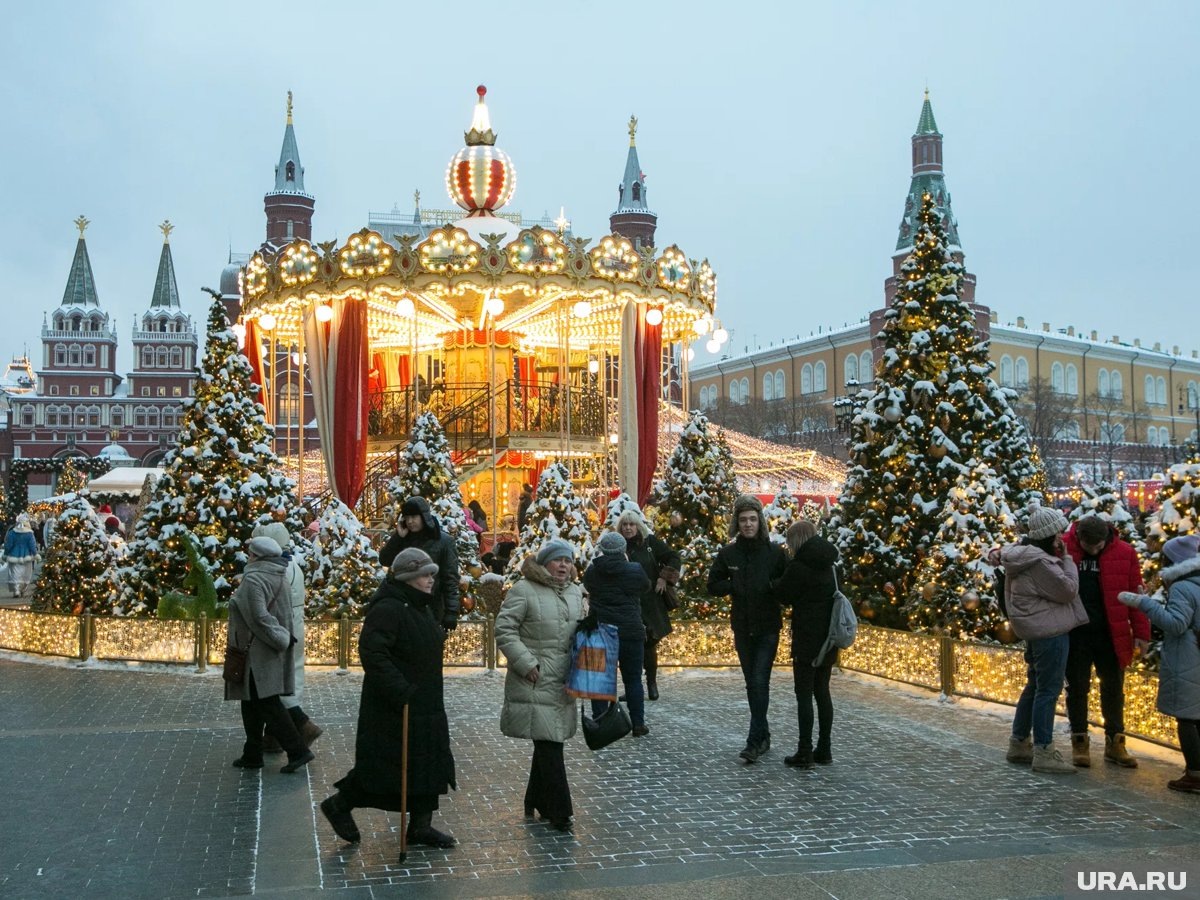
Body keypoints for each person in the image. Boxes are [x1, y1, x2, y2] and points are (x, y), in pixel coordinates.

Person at [320, 548, 458, 849]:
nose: (431, 579)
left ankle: (421, 827)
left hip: (426, 700)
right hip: (395, 704)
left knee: (428, 762)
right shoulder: (389, 607)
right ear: (409, 576)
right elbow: (373, 653)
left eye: (432, 574)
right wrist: (399, 689)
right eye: (425, 574)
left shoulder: (420, 605)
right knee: (384, 768)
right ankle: (339, 805)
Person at [495, 538, 584, 831]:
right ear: (545, 563)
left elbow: (578, 629)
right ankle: (560, 811)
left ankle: (534, 798)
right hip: (535, 679)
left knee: (549, 739)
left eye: (568, 561)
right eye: (558, 560)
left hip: (563, 681)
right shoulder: (525, 590)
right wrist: (525, 663)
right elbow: (505, 629)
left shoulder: (575, 593)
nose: (563, 565)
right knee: (551, 744)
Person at [997, 504, 1087, 775]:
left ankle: (1019, 742)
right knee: (1047, 690)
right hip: (1050, 632)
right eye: (1059, 533)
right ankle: (1044, 750)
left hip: (1034, 630)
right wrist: (1068, 561)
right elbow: (1068, 590)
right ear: (1049, 535)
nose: (1062, 538)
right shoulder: (1040, 562)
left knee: (1035, 686)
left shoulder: (1021, 557)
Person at [1062, 514, 1150, 768]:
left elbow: (1136, 595)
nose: (1093, 550)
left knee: (1113, 690)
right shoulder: (1064, 548)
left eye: (1098, 546)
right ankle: (1080, 742)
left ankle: (1116, 742)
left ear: (1105, 538)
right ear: (1079, 538)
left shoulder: (1125, 552)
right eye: (1088, 546)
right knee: (1077, 689)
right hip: (1076, 633)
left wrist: (1142, 634)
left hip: (1112, 634)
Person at [707, 494, 787, 763]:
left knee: (758, 680)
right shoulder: (729, 553)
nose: (748, 524)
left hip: (767, 626)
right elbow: (712, 584)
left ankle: (754, 742)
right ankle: (763, 735)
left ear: (760, 521)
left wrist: (772, 588)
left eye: (753, 519)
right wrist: (734, 585)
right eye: (743, 520)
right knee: (751, 683)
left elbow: (787, 585)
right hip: (742, 625)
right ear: (736, 523)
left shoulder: (775, 553)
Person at [1117, 535, 1200, 794]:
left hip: (1188, 659)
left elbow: (1176, 623)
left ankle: (1195, 774)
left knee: (1186, 717)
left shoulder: (1183, 587)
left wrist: (1145, 604)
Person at [225, 536, 314, 775]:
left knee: (268, 703)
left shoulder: (253, 579)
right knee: (251, 702)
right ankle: (252, 752)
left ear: (257, 556)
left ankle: (297, 750)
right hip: (267, 651)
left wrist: (280, 638)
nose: (248, 557)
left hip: (255, 653)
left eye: (251, 553)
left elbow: (259, 618)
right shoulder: (278, 575)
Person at [772, 519, 840, 768]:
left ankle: (804, 751)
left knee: (803, 695)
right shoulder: (832, 565)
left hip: (806, 637)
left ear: (796, 540)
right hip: (829, 638)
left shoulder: (799, 566)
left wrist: (774, 584)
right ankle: (825, 748)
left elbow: (783, 595)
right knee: (823, 692)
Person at [253, 522, 322, 753]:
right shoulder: (291, 564)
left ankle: (303, 726)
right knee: (286, 681)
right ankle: (273, 737)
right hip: (293, 626)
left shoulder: (279, 567)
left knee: (280, 684)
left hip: (284, 629)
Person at [584, 531, 652, 736]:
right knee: (633, 679)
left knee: (600, 680)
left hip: (601, 629)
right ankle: (638, 723)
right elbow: (645, 587)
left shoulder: (593, 571)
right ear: (623, 550)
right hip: (631, 630)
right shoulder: (634, 569)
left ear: (603, 550)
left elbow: (588, 587)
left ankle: (602, 722)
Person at [616, 508, 680, 701]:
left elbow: (673, 557)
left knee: (649, 644)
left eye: (631, 524)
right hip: (627, 604)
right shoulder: (617, 546)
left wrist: (664, 578)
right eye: (625, 525)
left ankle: (651, 684)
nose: (628, 528)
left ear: (638, 526)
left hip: (650, 602)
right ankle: (633, 687)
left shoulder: (650, 543)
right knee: (629, 647)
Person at [378, 496, 460, 632]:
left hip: (431, 607)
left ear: (424, 516)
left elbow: (450, 578)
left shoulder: (444, 541)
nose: (410, 521)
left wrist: (451, 611)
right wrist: (398, 537)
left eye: (414, 517)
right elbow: (385, 560)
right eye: (407, 517)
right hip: (403, 607)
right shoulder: (403, 538)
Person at [3, 514, 38, 598]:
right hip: (27, 557)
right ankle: (23, 589)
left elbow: (8, 545)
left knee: (15, 574)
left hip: (14, 556)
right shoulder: (30, 534)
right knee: (26, 574)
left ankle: (16, 590)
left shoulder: (12, 533)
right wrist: (35, 554)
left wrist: (5, 554)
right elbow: (32, 546)